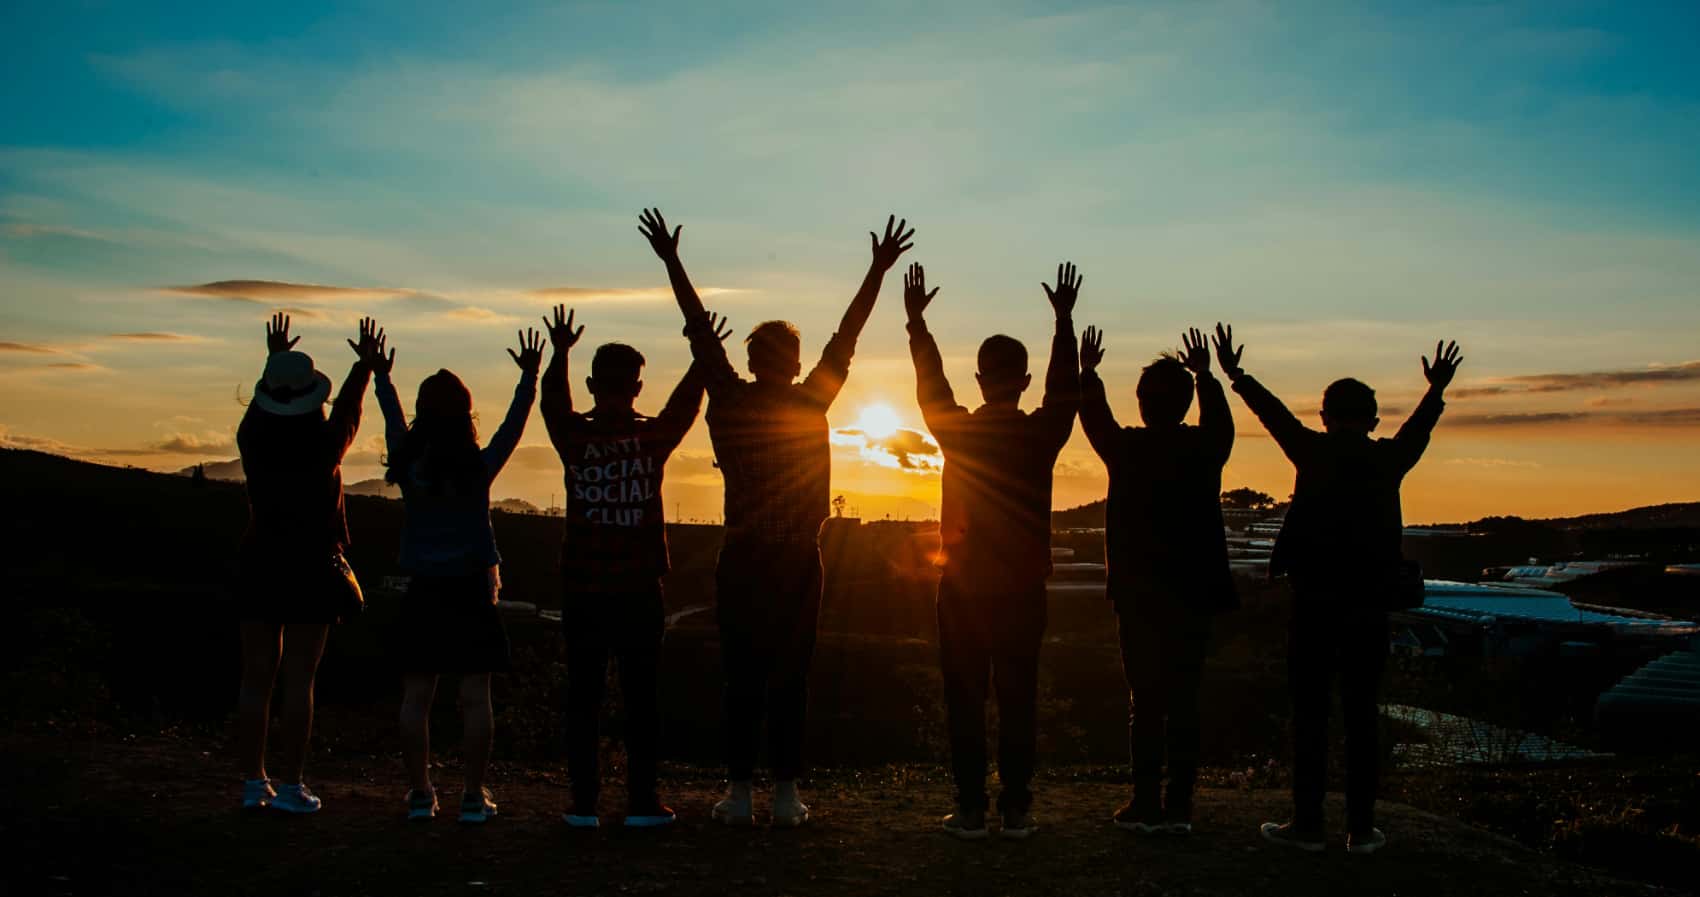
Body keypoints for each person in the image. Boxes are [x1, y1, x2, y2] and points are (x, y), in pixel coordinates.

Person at [638, 207, 914, 827]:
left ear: (753, 358)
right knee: (792, 676)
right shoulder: (812, 399)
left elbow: (698, 332)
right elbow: (848, 334)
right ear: (792, 362)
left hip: (742, 556)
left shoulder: (730, 400)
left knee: (741, 676)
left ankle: (738, 793)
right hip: (795, 560)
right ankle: (785, 794)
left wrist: (672, 261)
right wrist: (876, 269)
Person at [1223, 328, 1463, 855]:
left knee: (1309, 713)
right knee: (1362, 715)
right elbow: (1418, 430)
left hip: (1313, 603)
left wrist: (1237, 376)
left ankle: (1307, 823)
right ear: (1373, 420)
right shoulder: (1387, 460)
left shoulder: (1312, 451)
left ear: (1324, 415)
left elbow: (1274, 416)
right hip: (1370, 606)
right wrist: (1436, 389)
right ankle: (1361, 827)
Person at [905, 261, 1081, 840]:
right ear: (1023, 380)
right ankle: (1016, 809)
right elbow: (1065, 393)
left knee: (965, 699)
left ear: (979, 379)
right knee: (1018, 698)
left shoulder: (958, 431)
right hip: (1023, 589)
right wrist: (1063, 324)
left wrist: (917, 327)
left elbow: (932, 389)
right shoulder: (1040, 435)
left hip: (961, 587)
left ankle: (972, 808)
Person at [538, 304, 729, 829]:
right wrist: (700, 357)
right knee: (643, 698)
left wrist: (558, 352)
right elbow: (685, 407)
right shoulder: (650, 438)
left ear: (593, 383)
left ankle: (582, 804)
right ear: (638, 387)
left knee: (584, 697)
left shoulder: (575, 438)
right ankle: (642, 801)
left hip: (582, 587)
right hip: (640, 589)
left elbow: (552, 403)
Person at [372, 327, 545, 824]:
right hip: (472, 589)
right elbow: (513, 427)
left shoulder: (409, 464)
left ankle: (421, 794)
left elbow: (391, 419)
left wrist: (382, 377)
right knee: (475, 697)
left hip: (423, 588)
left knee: (417, 695)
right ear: (465, 414)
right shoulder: (477, 466)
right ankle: (473, 795)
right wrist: (528, 380)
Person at [1078, 325, 1237, 836]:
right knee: (1185, 698)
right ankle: (1180, 805)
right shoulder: (1205, 449)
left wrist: (1088, 373)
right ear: (1187, 403)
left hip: (1139, 595)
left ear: (1143, 403)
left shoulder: (1127, 450)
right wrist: (1207, 377)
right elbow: (1222, 425)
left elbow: (1094, 418)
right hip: (1194, 592)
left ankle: (1144, 802)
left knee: (1143, 701)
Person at [234, 313, 382, 813]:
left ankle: (253, 781)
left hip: (260, 558)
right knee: (300, 679)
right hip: (312, 565)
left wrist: (273, 359)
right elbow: (349, 414)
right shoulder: (323, 446)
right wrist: (364, 365)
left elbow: (270, 405)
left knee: (256, 677)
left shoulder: (251, 436)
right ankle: (293, 783)